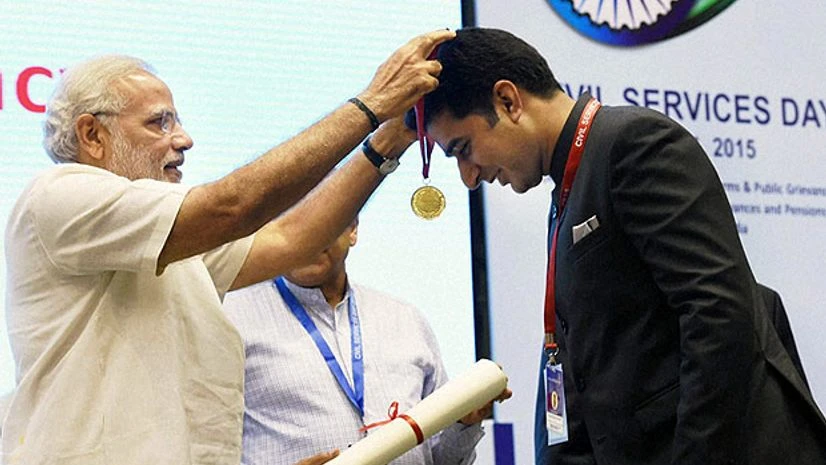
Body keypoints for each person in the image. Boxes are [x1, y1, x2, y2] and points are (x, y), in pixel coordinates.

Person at [2, 29, 454, 465]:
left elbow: (290, 239)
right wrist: (371, 104)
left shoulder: (165, 235)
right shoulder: (59, 196)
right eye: (160, 122)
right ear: (92, 136)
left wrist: (388, 141)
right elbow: (232, 206)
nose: (184, 139)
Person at [412, 27, 826, 465]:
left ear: (508, 100)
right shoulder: (570, 188)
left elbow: (719, 311)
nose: (469, 177)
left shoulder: (633, 144)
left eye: (462, 149)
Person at [223, 217, 508, 465]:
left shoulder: (405, 320)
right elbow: (198, 448)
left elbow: (441, 460)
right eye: (291, 224)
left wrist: (463, 423)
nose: (306, 236)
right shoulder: (229, 321)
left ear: (352, 229)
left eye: (321, 220)